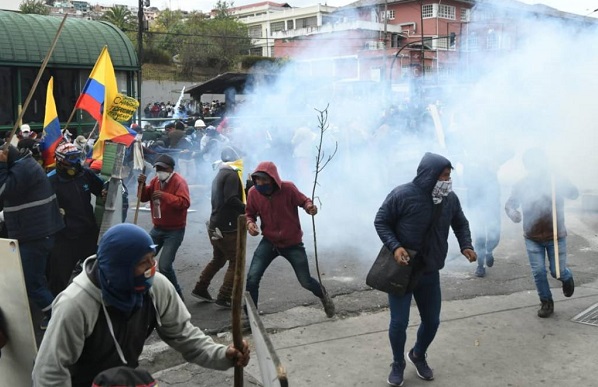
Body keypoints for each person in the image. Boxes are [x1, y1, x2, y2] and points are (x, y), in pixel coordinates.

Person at [32, 223, 250, 387]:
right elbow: (49, 374)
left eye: (152, 260)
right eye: (143, 263)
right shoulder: (74, 305)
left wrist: (222, 354)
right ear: (120, 269)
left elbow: (184, 336)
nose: (151, 268)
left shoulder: (157, 287)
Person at [374, 152, 476, 386]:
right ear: (429, 175)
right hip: (403, 269)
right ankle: (398, 363)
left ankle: (418, 354)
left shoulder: (450, 200)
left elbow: (460, 223)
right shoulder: (402, 194)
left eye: (449, 177)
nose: (447, 181)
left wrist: (466, 245)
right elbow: (381, 221)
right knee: (399, 322)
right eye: (443, 176)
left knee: (432, 321)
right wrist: (395, 246)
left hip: (430, 270)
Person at [245, 161, 335, 318]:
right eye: (257, 179)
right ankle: (249, 316)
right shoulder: (253, 193)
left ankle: (323, 295)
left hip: (292, 243)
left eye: (264, 180)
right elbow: (249, 213)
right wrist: (250, 224)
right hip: (269, 241)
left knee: (305, 281)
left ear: (273, 179)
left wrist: (310, 208)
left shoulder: (288, 188)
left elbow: (304, 200)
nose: (260, 183)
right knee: (252, 278)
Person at [505, 148, 578, 318]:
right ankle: (546, 301)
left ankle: (567, 278)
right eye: (531, 166)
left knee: (557, 271)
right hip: (532, 236)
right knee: (538, 272)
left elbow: (574, 194)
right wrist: (513, 213)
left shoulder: (555, 181)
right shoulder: (522, 184)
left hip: (555, 235)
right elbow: (510, 204)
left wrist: (564, 181)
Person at [0, 145, 64, 330]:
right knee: (37, 279)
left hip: (34, 236)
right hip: (35, 232)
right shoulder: (23, 166)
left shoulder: (23, 169)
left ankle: (56, 318)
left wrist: (1, 166)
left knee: (32, 283)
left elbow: (3, 189)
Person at [47, 142, 105, 296]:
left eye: (77, 157)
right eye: (71, 158)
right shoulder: (50, 181)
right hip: (64, 237)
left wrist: (108, 190)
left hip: (88, 232)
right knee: (58, 277)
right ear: (60, 160)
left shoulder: (85, 174)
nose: (75, 161)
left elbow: (101, 189)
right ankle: (54, 312)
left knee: (95, 272)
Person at [191, 147, 245, 308]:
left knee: (219, 259)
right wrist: (247, 208)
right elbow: (231, 199)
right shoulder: (232, 174)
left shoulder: (221, 173)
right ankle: (224, 295)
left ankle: (200, 288)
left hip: (215, 224)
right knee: (236, 262)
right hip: (227, 227)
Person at [138, 154, 190, 299]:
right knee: (141, 257)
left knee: (165, 265)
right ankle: (145, 291)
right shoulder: (155, 181)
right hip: (158, 228)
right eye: (157, 168)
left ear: (171, 169)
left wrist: (165, 196)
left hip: (174, 230)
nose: (159, 171)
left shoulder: (179, 182)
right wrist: (141, 185)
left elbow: (184, 203)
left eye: (162, 168)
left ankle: (176, 295)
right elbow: (143, 197)